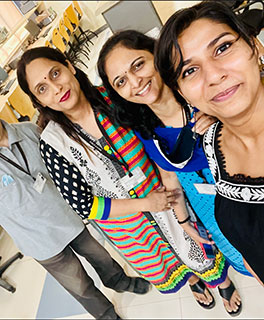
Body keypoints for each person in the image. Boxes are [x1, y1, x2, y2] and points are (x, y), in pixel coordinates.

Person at [16, 46, 231, 310]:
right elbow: (85, 205)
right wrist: (145, 205)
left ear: (69, 67)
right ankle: (192, 282)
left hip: (169, 195)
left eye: (55, 73)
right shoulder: (53, 143)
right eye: (42, 88)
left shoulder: (116, 97)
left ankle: (222, 283)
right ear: (39, 102)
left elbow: (163, 121)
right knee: (168, 261)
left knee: (198, 244)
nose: (56, 88)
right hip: (129, 226)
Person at [0, 70, 159, 320]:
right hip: (39, 240)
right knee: (79, 284)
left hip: (70, 217)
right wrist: (18, 209)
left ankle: (120, 281)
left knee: (101, 256)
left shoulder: (29, 131)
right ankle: (106, 314)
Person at [97, 30, 243, 315]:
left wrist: (223, 115)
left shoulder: (201, 91)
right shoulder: (145, 128)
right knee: (244, 257)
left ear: (156, 54)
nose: (135, 82)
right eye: (121, 81)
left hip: (243, 188)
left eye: (138, 64)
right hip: (208, 209)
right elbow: (169, 176)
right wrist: (185, 220)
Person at [156, 0, 264, 286]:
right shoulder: (213, 144)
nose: (214, 75)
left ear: (255, 47)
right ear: (183, 93)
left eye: (223, 48)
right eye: (190, 71)